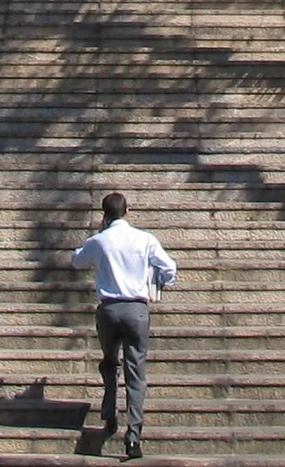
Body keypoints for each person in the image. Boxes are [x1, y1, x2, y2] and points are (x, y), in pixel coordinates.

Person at [71, 191, 176, 459]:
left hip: (109, 309)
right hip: (137, 310)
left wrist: (98, 235)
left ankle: (109, 412)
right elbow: (169, 268)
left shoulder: (100, 240)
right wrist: (161, 282)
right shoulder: (145, 239)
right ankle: (133, 436)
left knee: (109, 362)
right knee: (135, 371)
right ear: (127, 211)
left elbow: (77, 260)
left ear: (104, 215)